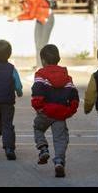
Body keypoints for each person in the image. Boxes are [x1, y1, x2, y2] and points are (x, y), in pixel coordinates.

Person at [31, 44, 79, 178]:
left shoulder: (41, 74)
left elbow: (37, 92)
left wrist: (39, 107)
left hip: (45, 112)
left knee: (38, 128)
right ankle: (59, 162)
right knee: (60, 139)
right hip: (60, 114)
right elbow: (74, 97)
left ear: (43, 60)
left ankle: (43, 149)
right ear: (58, 58)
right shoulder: (67, 76)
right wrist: (69, 111)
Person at [9, 0, 54, 69]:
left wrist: (17, 18)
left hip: (47, 18)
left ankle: (43, 66)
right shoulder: (24, 2)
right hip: (39, 19)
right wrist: (16, 17)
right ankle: (39, 65)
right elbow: (27, 12)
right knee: (37, 43)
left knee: (43, 44)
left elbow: (31, 15)